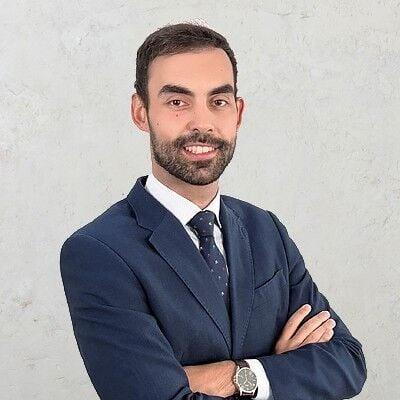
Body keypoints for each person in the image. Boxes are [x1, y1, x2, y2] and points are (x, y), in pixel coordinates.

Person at [60, 22, 367, 400]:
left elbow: (347, 363)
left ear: (238, 112)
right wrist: (281, 369)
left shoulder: (265, 229)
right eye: (178, 102)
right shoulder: (99, 251)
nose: (202, 123)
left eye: (218, 101)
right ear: (141, 112)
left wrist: (238, 375)